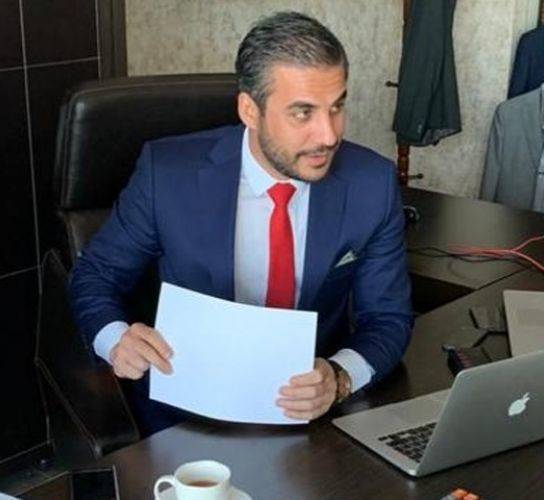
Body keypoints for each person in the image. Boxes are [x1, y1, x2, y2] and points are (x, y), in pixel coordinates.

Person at [69, 11, 413, 436]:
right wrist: (116, 339)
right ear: (250, 110)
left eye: (336, 107)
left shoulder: (371, 183)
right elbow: (95, 275)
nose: (328, 135)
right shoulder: (167, 175)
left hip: (308, 415)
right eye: (303, 113)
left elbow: (389, 318)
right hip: (186, 413)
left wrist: (339, 378)